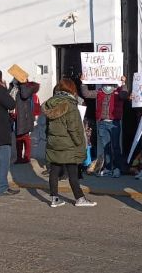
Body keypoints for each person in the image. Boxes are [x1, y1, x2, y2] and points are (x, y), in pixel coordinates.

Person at [43, 79, 97, 208]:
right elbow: (73, 127)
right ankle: (80, 198)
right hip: (68, 143)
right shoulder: (70, 105)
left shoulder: (50, 104)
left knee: (54, 171)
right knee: (73, 173)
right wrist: (79, 142)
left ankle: (54, 199)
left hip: (54, 142)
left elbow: (47, 127)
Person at [80, 75, 129, 178]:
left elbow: (124, 95)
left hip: (114, 123)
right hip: (102, 123)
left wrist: (124, 83)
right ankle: (107, 168)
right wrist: (83, 82)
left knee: (115, 147)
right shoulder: (99, 92)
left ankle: (116, 168)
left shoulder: (118, 92)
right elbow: (86, 94)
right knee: (106, 147)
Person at [8, 66, 41, 164]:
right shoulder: (14, 87)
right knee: (18, 138)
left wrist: (23, 83)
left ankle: (26, 157)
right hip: (15, 116)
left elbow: (24, 95)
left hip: (24, 117)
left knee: (25, 137)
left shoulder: (28, 87)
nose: (15, 80)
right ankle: (19, 158)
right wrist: (12, 85)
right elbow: (8, 95)